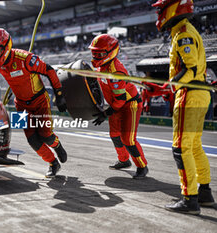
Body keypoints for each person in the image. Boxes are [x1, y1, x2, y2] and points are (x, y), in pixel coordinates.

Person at [152, 0, 214, 215]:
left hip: (189, 93)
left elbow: (190, 67)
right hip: (200, 93)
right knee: (194, 146)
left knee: (180, 148)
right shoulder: (188, 30)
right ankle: (205, 194)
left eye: (160, 10)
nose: (159, 14)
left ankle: (189, 199)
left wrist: (173, 84)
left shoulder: (183, 34)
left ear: (172, 8)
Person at [0, 28, 68, 178]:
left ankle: (57, 145)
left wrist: (59, 95)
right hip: (20, 105)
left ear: (6, 45)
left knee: (46, 135)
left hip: (40, 101)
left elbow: (49, 70)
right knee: (32, 140)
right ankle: (53, 163)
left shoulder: (27, 59)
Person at [89, 34, 149, 179]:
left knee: (128, 139)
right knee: (114, 135)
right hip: (116, 104)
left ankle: (142, 166)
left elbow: (121, 99)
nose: (96, 56)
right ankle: (124, 160)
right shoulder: (101, 68)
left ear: (112, 52)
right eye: (94, 53)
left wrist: (105, 113)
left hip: (130, 105)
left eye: (100, 54)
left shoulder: (116, 71)